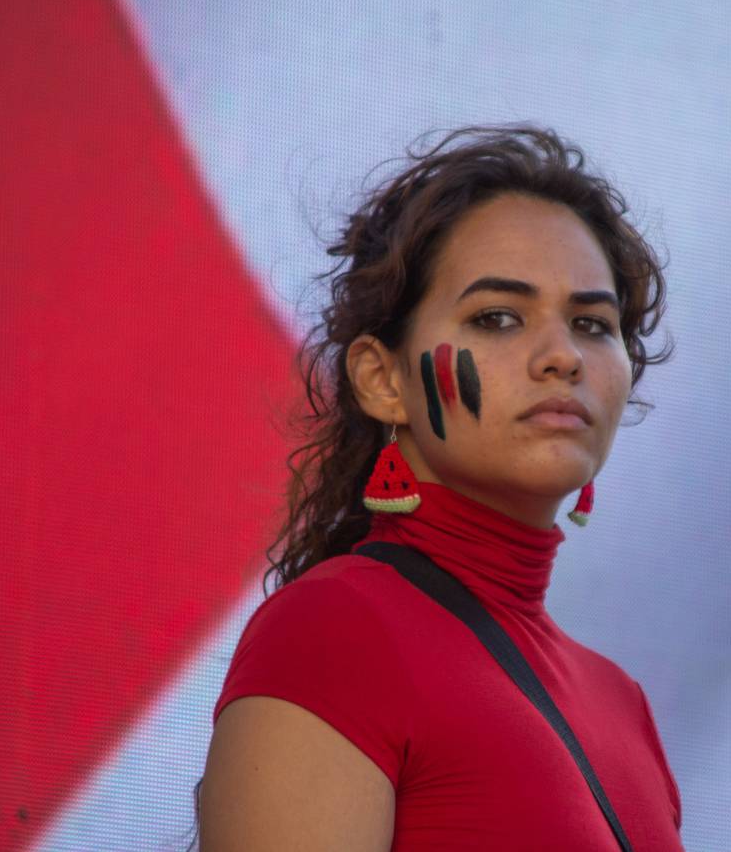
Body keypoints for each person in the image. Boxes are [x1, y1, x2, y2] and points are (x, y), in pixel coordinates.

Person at [197, 125, 683, 850]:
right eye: (497, 317)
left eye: (592, 323)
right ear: (382, 380)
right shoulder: (335, 631)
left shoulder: (624, 704)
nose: (562, 356)